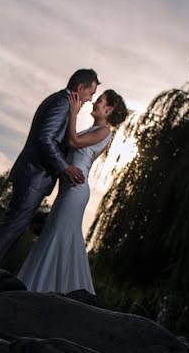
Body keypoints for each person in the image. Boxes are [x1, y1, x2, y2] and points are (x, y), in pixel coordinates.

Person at [0, 69, 100, 267]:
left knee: (14, 227)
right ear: (80, 88)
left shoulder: (60, 101)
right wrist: (65, 168)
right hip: (34, 175)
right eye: (90, 93)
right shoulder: (62, 103)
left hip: (34, 175)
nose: (90, 99)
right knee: (13, 226)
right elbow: (45, 138)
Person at [16, 89, 129, 294]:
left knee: (57, 235)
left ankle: (39, 290)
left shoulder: (104, 131)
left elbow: (73, 142)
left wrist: (74, 112)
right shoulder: (93, 129)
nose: (95, 103)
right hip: (67, 190)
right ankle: (55, 289)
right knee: (56, 235)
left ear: (109, 109)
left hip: (76, 191)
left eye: (100, 101)